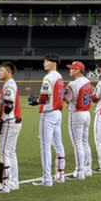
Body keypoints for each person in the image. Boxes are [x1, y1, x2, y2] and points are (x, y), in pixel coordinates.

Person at [30, 54, 66, 186]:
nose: (44, 63)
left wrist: (36, 101)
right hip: (58, 113)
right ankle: (61, 175)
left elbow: (44, 98)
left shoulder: (49, 77)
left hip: (49, 114)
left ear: (54, 63)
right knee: (58, 144)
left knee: (45, 147)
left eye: (47, 61)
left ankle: (47, 178)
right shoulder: (60, 77)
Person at [0, 61, 22, 194]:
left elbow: (8, 107)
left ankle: (4, 184)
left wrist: (0, 121)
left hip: (9, 121)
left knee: (4, 153)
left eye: (2, 70)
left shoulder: (9, 85)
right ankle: (13, 182)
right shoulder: (10, 84)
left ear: (8, 72)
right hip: (15, 121)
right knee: (11, 152)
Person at [65, 61, 93, 180]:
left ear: (78, 70)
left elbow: (67, 99)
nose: (70, 70)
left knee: (77, 144)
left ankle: (79, 171)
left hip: (76, 114)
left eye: (72, 68)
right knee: (85, 142)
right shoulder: (88, 81)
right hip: (87, 113)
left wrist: (62, 91)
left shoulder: (73, 83)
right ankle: (88, 169)